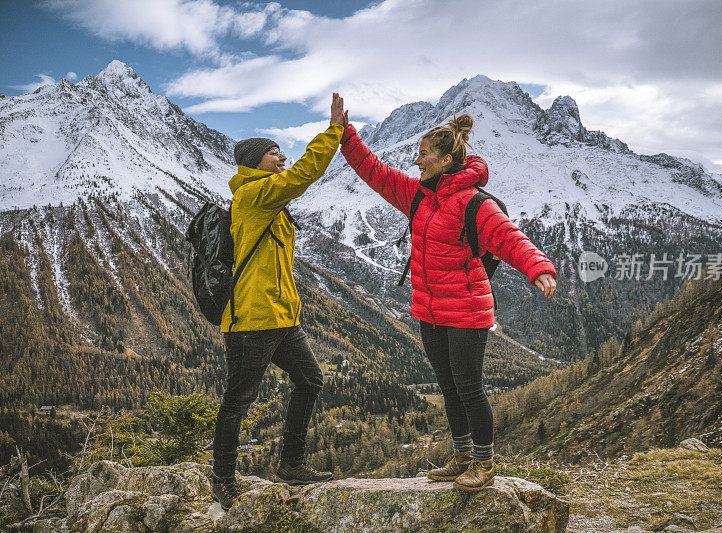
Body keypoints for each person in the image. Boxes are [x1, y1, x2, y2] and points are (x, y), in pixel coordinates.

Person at [339, 113, 557, 492]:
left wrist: (537, 266)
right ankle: (461, 457)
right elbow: (375, 172)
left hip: (468, 309)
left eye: (423, 154)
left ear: (444, 160)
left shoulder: (473, 203)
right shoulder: (419, 195)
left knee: (469, 387)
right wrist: (346, 134)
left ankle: (484, 462)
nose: (416, 161)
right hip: (430, 310)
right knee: (449, 386)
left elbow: (509, 238)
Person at [211, 94, 348, 511]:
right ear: (255, 162)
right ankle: (223, 480)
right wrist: (334, 131)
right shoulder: (255, 195)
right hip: (252, 319)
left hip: (281, 316)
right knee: (238, 401)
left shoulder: (267, 197)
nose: (281, 156)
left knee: (310, 380)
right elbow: (305, 173)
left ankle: (290, 464)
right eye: (274, 153)